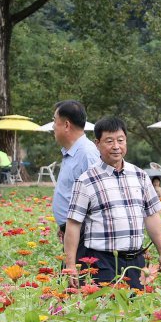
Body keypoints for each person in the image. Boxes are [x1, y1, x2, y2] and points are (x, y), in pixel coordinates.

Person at [63, 116, 161, 290]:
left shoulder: (140, 176)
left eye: (120, 140)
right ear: (97, 144)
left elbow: (151, 215)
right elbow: (73, 224)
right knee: (107, 312)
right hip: (101, 263)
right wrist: (70, 265)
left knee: (137, 311)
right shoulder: (85, 181)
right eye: (109, 141)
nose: (116, 146)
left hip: (135, 263)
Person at [51, 99, 102, 241]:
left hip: (84, 234)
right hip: (72, 231)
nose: (53, 126)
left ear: (66, 125)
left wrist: (73, 230)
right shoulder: (72, 152)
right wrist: (63, 226)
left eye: (55, 121)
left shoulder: (87, 154)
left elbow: (98, 198)